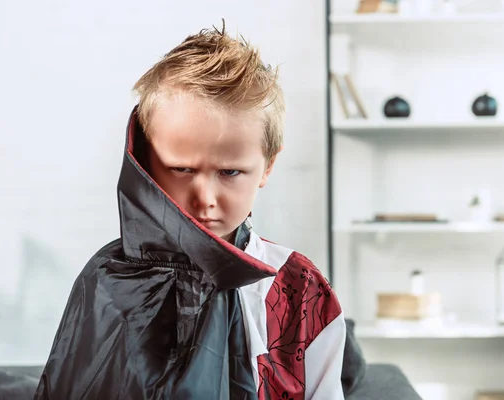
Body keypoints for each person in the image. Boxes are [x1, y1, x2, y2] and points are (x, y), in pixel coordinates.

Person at [34, 22, 346, 400]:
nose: (205, 199)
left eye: (230, 172)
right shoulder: (107, 280)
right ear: (145, 164)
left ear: (267, 166)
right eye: (182, 170)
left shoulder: (300, 291)